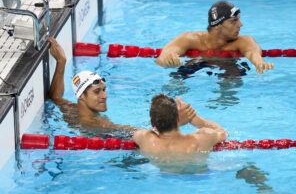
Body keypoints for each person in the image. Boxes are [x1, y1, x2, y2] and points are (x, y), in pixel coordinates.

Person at [48, 38, 195, 131]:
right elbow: (141, 134)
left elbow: (55, 97)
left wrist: (61, 62)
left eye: (104, 90)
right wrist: (175, 123)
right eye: (97, 91)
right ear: (81, 96)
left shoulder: (72, 110)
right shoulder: (98, 124)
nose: (104, 95)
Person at [155, 0, 274, 74]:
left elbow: (252, 52)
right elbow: (164, 55)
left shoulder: (243, 41)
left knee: (234, 74)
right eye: (234, 21)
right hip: (199, 62)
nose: (240, 24)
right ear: (217, 26)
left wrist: (259, 62)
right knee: (178, 76)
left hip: (230, 65)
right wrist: (167, 60)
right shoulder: (192, 38)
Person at [133, 93, 228, 154]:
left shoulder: (144, 138)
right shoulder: (203, 137)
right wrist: (195, 119)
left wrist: (174, 121)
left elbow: (155, 129)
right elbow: (223, 132)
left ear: (152, 123)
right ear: (178, 118)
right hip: (199, 179)